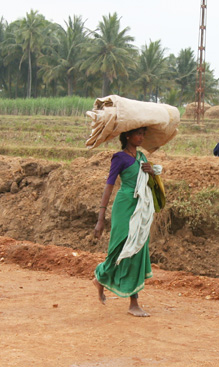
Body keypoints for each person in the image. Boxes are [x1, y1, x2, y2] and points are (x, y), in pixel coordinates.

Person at [92, 127, 156, 317]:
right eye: (138, 134)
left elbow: (150, 184)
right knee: (120, 248)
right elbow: (109, 185)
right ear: (127, 136)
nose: (141, 137)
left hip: (140, 208)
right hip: (124, 206)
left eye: (143, 134)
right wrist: (100, 217)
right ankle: (101, 276)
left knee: (136, 249)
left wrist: (151, 172)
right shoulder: (119, 158)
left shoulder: (142, 158)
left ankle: (133, 302)